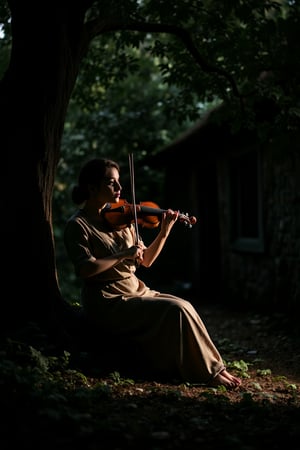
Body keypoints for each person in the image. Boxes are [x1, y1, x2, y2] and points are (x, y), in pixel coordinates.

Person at [64, 157, 241, 389]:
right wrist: (122, 255)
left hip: (135, 288)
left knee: (184, 305)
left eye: (118, 182)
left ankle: (216, 368)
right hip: (107, 299)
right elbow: (86, 269)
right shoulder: (78, 226)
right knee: (176, 310)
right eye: (111, 183)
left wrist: (165, 231)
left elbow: (145, 260)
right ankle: (207, 373)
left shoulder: (122, 218)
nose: (119, 188)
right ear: (92, 187)